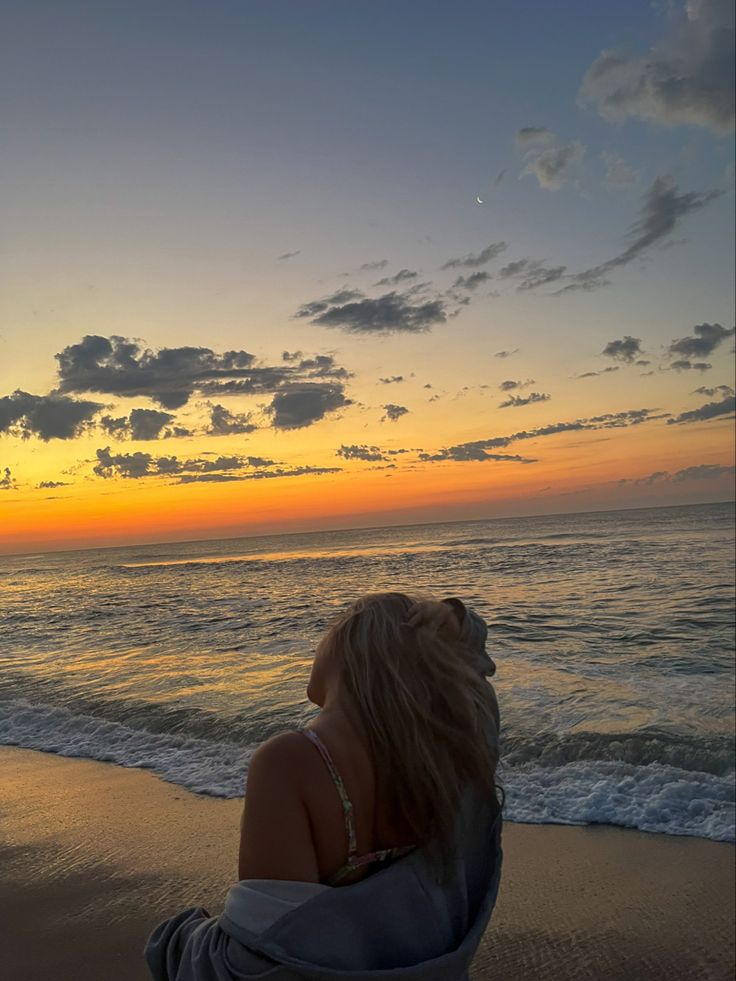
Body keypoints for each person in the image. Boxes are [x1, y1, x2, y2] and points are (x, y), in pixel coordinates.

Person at [146, 593, 503, 981]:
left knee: (169, 942)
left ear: (346, 641)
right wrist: (457, 620)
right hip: (424, 964)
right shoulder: (457, 749)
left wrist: (178, 942)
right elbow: (478, 666)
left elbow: (262, 954)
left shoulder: (290, 762)